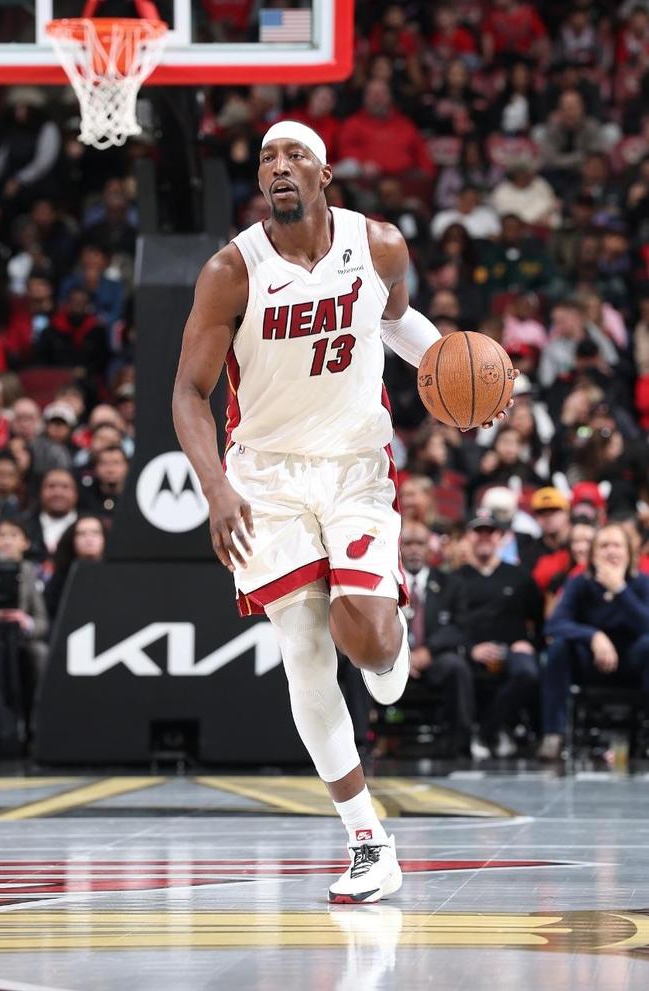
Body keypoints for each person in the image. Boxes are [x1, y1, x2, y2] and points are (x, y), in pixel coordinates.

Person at [172, 120, 512, 905]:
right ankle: (367, 839)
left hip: (356, 467)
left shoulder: (379, 245)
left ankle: (389, 633)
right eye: (267, 157)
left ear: (325, 175)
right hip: (267, 479)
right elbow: (188, 392)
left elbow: (394, 321)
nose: (279, 166)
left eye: (295, 155)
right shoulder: (232, 270)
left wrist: (459, 371)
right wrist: (215, 488)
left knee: (372, 649)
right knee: (303, 648)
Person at [539, 523, 649, 760]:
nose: (611, 551)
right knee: (559, 647)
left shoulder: (642, 583)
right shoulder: (580, 583)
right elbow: (554, 624)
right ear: (593, 554)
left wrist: (620, 590)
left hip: (632, 663)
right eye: (604, 546)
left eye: (617, 545)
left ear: (629, 552)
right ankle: (553, 734)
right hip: (591, 663)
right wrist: (594, 636)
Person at [455, 512, 544, 759]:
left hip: (512, 648)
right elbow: (450, 622)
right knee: (456, 670)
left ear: (501, 537)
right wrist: (470, 648)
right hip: (470, 651)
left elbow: (539, 618)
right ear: (468, 537)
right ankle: (477, 733)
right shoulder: (456, 579)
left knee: (527, 672)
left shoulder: (520, 576)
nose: (484, 537)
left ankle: (486, 731)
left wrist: (529, 643)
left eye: (490, 532)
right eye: (478, 532)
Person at [401, 518, 475, 758]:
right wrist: (400, 657)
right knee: (357, 670)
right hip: (390, 659)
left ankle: (459, 746)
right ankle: (359, 745)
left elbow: (459, 626)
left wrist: (428, 651)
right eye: (407, 543)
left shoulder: (450, 583)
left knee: (457, 667)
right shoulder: (385, 583)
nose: (414, 549)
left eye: (419, 543)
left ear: (429, 547)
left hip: (433, 658)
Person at [0, 517, 49, 734]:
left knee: (40, 653)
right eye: (2, 536)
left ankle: (35, 727)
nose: (7, 541)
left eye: (13, 535)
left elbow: (42, 622)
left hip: (20, 641)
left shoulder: (29, 572)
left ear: (25, 543)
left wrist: (25, 622)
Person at [45, 514, 106, 620]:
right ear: (72, 540)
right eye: (82, 534)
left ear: (104, 538)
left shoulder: (117, 573)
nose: (89, 539)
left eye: (95, 533)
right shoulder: (61, 577)